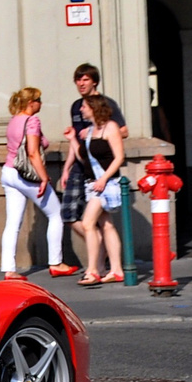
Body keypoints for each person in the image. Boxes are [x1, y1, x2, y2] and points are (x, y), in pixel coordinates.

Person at [0, 88, 78, 280]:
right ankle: (56, 263)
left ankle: (9, 270)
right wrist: (44, 177)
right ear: (31, 103)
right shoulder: (32, 121)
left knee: (12, 223)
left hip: (9, 172)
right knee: (56, 214)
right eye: (39, 100)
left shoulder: (13, 120)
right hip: (27, 176)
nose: (41, 103)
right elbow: (33, 152)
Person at [59, 63, 127, 247]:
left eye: (85, 79)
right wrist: (66, 168)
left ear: (94, 82)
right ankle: (99, 248)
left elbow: (123, 131)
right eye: (78, 80)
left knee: (101, 221)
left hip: (99, 167)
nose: (81, 83)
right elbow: (75, 141)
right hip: (80, 163)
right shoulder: (77, 106)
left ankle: (102, 259)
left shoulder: (107, 104)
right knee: (69, 214)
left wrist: (96, 132)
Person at [66, 94, 127, 285]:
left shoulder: (111, 127)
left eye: (84, 106)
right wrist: (72, 140)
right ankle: (116, 270)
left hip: (106, 184)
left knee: (87, 223)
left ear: (94, 107)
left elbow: (119, 157)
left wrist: (104, 178)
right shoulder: (90, 131)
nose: (81, 109)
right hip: (92, 183)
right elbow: (84, 158)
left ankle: (93, 270)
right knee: (106, 225)